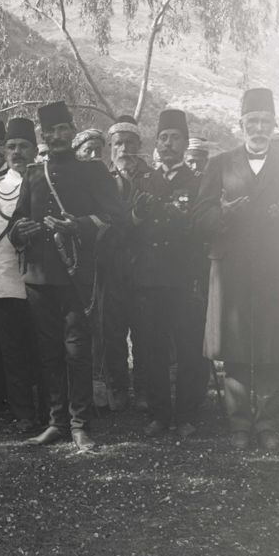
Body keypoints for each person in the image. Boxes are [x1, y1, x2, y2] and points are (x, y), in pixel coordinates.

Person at [194, 88, 279, 451]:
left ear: (275, 126)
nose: (259, 128)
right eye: (252, 122)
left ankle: (267, 425)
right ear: (240, 125)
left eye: (265, 122)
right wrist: (224, 214)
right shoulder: (219, 165)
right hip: (231, 275)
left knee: (269, 349)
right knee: (235, 351)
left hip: (274, 275)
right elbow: (199, 217)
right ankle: (240, 426)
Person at [11, 102, 126, 451]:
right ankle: (56, 422)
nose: (58, 136)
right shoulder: (33, 174)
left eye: (64, 129)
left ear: (73, 131)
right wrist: (22, 230)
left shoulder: (92, 172)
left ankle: (80, 424)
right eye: (51, 131)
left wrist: (75, 226)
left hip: (78, 275)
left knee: (77, 351)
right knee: (48, 351)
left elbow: (114, 216)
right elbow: (16, 226)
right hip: (39, 278)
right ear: (44, 135)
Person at [130, 109, 209, 438]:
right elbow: (129, 227)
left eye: (174, 138)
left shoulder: (199, 182)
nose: (168, 144)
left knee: (190, 348)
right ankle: (160, 414)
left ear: (184, 143)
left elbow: (203, 230)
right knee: (153, 348)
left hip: (184, 278)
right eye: (163, 138)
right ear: (156, 143)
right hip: (150, 280)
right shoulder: (144, 180)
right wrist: (137, 214)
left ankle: (187, 415)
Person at [0, 118, 45, 434]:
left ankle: (48, 410)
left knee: (43, 348)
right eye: (12, 146)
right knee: (12, 350)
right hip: (3, 279)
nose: (17, 152)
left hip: (40, 279)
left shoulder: (47, 182)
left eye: (23, 146)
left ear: (34, 149)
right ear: (4, 150)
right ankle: (23, 413)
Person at [98, 117, 154, 412]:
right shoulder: (102, 181)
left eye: (130, 143)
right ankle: (118, 387)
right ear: (110, 148)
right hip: (111, 267)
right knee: (113, 332)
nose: (124, 149)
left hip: (144, 268)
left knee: (144, 331)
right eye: (118, 143)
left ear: (140, 146)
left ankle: (144, 388)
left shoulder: (152, 179)